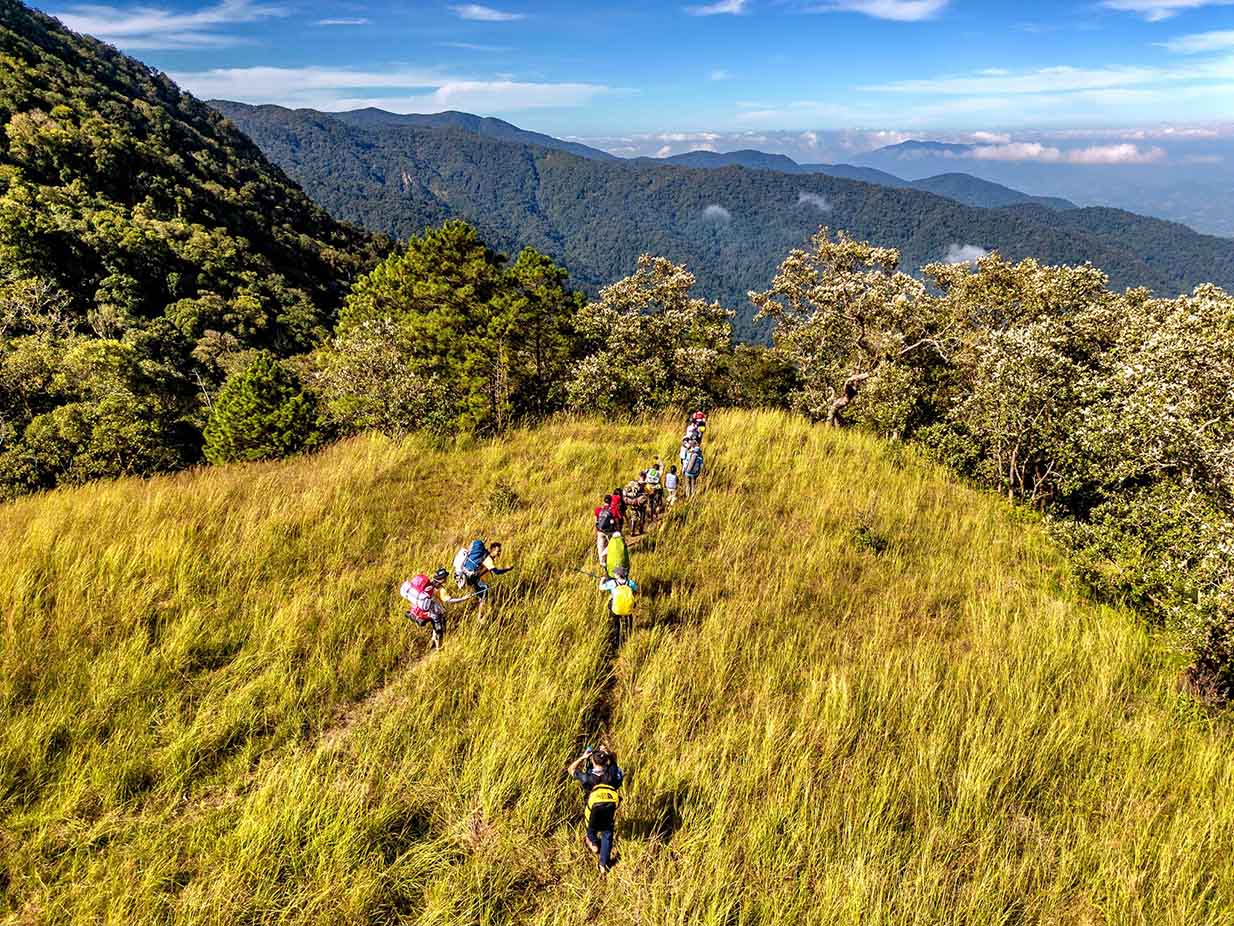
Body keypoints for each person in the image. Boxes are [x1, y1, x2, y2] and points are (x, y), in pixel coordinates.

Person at [567, 746, 624, 873]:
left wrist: (583, 757)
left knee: (590, 828)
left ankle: (593, 843)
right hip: (609, 809)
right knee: (607, 834)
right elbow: (614, 758)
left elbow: (571, 769)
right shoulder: (611, 773)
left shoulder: (587, 778)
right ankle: (603, 865)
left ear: (592, 760)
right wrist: (607, 753)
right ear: (606, 762)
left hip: (593, 809)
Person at [400, 568, 465, 649]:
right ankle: (439, 648)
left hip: (424, 612)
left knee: (435, 627)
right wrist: (464, 598)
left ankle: (432, 642)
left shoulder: (429, 585)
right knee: (439, 630)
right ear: (442, 579)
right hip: (435, 612)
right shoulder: (441, 590)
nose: (446, 579)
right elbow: (449, 600)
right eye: (445, 577)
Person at [457, 539, 513, 620]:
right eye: (498, 551)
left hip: (473, 578)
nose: (499, 553)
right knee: (484, 597)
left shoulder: (485, 556)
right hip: (477, 580)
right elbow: (496, 572)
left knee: (483, 597)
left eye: (500, 551)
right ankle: (480, 617)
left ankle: (481, 615)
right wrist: (507, 569)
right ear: (492, 550)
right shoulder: (488, 559)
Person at [600, 565, 637, 639]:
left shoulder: (612, 583)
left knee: (611, 605)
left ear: (617, 575)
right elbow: (636, 588)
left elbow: (601, 588)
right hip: (628, 609)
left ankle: (616, 633)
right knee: (629, 612)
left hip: (616, 609)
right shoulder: (630, 583)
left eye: (615, 573)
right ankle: (628, 633)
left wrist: (602, 580)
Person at [595, 495, 619, 564]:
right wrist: (617, 530)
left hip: (600, 531)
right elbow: (617, 522)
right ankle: (607, 555)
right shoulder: (613, 510)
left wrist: (597, 529)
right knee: (612, 544)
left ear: (604, 501)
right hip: (610, 531)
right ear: (611, 501)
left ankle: (602, 562)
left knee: (600, 546)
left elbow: (596, 521)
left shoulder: (598, 509)